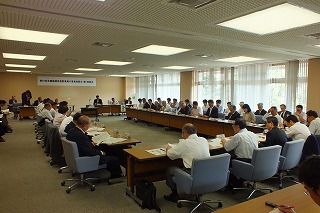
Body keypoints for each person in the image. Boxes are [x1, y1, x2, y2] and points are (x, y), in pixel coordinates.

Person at [164, 123, 210, 202]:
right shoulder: (204, 140)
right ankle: (197, 192)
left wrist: (168, 148)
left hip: (192, 175)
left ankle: (174, 195)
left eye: (182, 133)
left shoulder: (183, 143)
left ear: (185, 132)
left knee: (170, 169)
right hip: (207, 173)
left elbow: (170, 155)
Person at [221, 118, 258, 187]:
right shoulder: (252, 134)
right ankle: (241, 180)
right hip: (254, 161)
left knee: (223, 161)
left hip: (242, 161)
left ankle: (235, 183)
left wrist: (224, 141)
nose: (233, 127)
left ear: (237, 126)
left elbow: (227, 148)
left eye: (233, 126)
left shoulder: (238, 136)